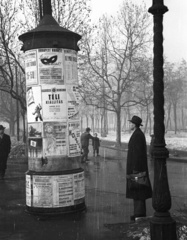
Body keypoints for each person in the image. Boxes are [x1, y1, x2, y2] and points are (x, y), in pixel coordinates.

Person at [126, 116, 152, 221]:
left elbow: (137, 154)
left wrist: (135, 168)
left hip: (137, 168)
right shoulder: (138, 134)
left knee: (138, 190)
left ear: (135, 125)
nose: (130, 125)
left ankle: (139, 214)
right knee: (137, 190)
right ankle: (138, 213)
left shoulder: (138, 135)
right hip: (137, 167)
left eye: (131, 123)